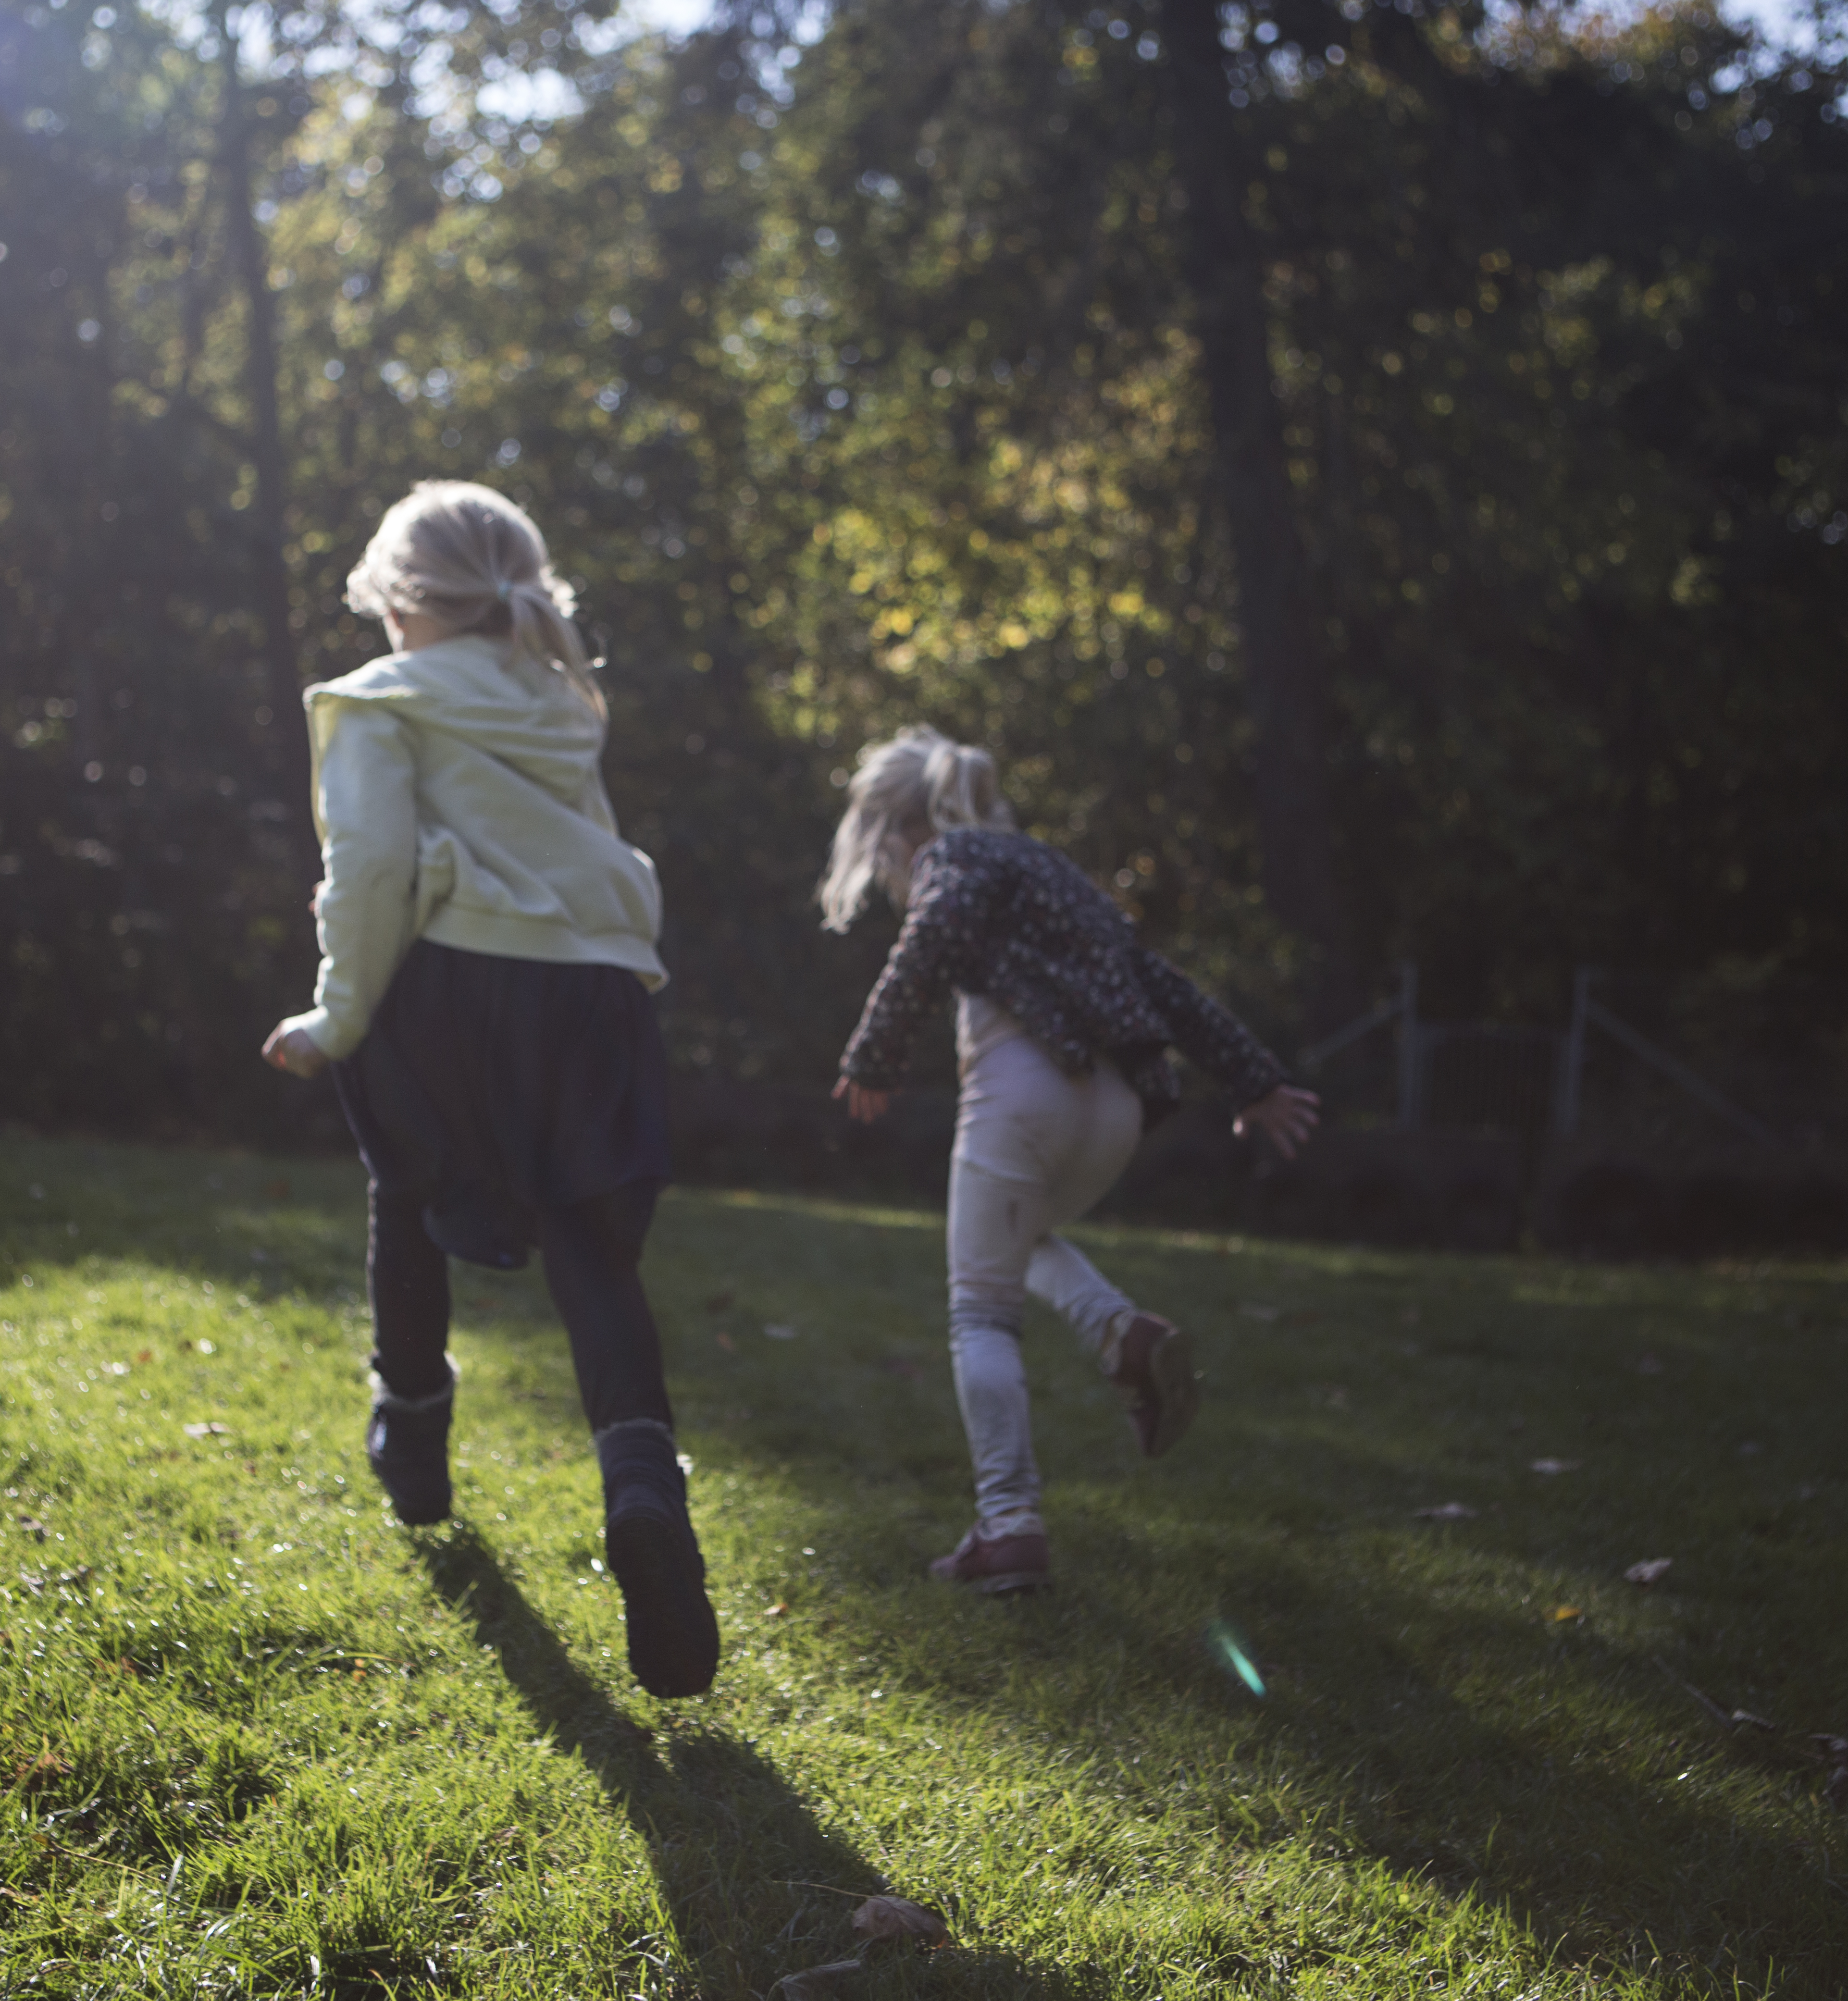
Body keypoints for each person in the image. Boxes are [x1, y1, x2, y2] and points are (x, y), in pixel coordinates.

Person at [261, 480, 718, 1699]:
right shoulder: (562, 700)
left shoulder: (379, 700)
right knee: (595, 1256)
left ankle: (412, 1436)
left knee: (403, 1189)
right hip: (599, 991)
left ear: (402, 600)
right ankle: (640, 1487)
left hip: (458, 986)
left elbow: (368, 871)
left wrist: (338, 1017)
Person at [822, 726, 1321, 1595]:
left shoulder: (953, 859)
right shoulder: (1048, 870)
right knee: (1018, 1240)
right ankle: (1121, 1332)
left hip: (1026, 1091)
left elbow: (933, 927)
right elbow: (1158, 980)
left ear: (899, 832)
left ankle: (1008, 1525)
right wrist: (1254, 1081)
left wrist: (875, 1052)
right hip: (1116, 1105)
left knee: (980, 1311)